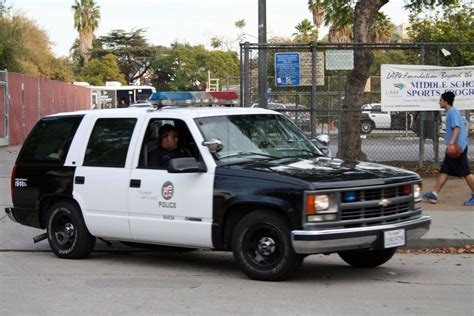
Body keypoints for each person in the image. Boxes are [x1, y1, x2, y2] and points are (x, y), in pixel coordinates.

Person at [422, 91, 474, 206]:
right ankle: (434, 194)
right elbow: (464, 124)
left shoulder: (452, 112)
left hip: (456, 149)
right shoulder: (454, 112)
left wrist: (451, 144)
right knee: (445, 170)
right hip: (456, 147)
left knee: (466, 173)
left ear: (445, 102)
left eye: (440, 100)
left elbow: (456, 128)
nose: (439, 102)